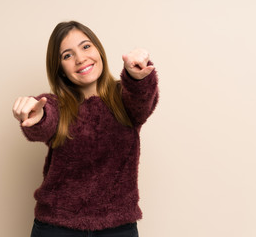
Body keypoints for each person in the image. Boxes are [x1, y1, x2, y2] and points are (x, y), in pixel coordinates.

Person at [12, 21, 159, 237]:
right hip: (56, 227)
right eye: (67, 55)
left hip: (118, 228)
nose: (80, 58)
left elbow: (142, 99)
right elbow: (45, 119)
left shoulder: (125, 99)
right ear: (60, 69)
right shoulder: (57, 106)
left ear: (99, 49)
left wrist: (138, 77)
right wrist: (36, 115)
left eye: (86, 46)